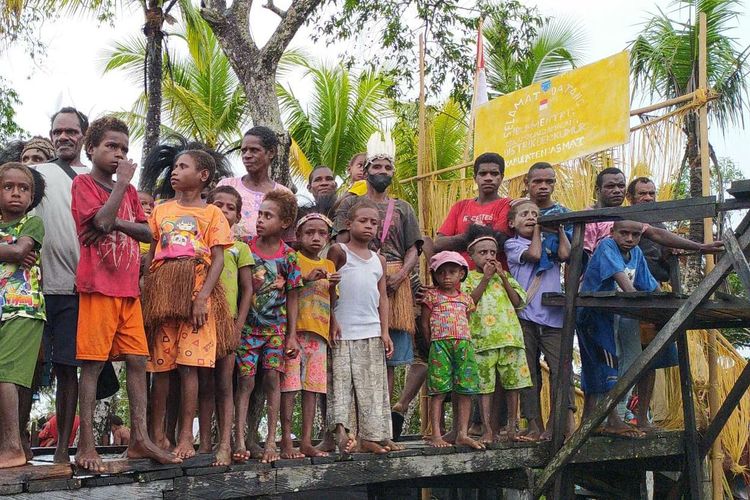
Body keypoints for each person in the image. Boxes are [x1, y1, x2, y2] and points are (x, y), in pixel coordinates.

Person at [71, 116, 180, 471]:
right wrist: (119, 189)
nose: (118, 153)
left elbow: (147, 234)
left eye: (123, 148)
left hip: (128, 290)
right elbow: (97, 223)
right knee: (92, 364)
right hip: (98, 287)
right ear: (91, 149)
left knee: (136, 360)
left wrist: (115, 220)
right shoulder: (85, 185)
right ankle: (86, 444)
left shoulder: (131, 192)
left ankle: (139, 439)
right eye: (111, 146)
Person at [142, 150, 233, 460]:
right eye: (175, 166)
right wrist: (148, 291)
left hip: (197, 289)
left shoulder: (213, 215)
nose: (175, 171)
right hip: (164, 292)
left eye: (183, 166)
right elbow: (153, 253)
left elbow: (218, 259)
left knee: (189, 367)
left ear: (203, 175)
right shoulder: (161, 210)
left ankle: (184, 438)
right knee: (161, 367)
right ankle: (157, 435)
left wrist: (202, 298)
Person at [333, 132, 420, 427]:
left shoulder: (404, 208)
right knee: (353, 355)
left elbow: (414, 248)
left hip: (396, 281)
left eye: (387, 168)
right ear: (366, 169)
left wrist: (401, 276)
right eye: (376, 167)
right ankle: (352, 425)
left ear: (393, 172)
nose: (382, 172)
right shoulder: (349, 204)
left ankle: (379, 423)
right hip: (358, 277)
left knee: (390, 355)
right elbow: (339, 243)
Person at [32, 107, 89, 464]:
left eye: (71, 131)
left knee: (69, 368)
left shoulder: (98, 177)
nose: (63, 137)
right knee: (28, 368)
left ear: (84, 135)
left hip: (75, 288)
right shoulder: (35, 173)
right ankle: (18, 445)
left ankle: (63, 449)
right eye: (57, 131)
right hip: (33, 287)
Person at [234, 189, 302, 463]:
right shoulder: (245, 248)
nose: (260, 220)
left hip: (275, 331)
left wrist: (292, 336)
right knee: (245, 382)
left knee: (272, 381)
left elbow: (294, 296)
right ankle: (239, 439)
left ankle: (271, 440)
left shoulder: (289, 257)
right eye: (260, 214)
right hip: (247, 330)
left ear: (284, 223)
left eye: (268, 216)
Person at [577, 220, 659, 438]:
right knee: (605, 365)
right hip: (592, 314)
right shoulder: (607, 247)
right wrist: (644, 306)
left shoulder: (636, 253)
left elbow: (649, 284)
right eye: (624, 233)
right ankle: (613, 420)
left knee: (603, 365)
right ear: (612, 232)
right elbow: (626, 285)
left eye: (635, 235)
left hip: (611, 314)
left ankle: (589, 421)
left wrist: (661, 304)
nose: (629, 239)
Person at [504, 198, 574, 441]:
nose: (531, 218)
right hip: (525, 316)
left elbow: (566, 254)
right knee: (528, 372)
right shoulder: (512, 245)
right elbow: (534, 254)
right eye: (524, 214)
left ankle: (557, 424)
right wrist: (538, 231)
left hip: (554, 318)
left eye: (535, 214)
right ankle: (533, 423)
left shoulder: (551, 241)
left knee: (560, 370)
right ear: (511, 223)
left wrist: (560, 229)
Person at [327, 199, 394, 454]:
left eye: (374, 223)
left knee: (373, 387)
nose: (368, 226)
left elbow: (383, 297)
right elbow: (329, 289)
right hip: (343, 331)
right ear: (349, 224)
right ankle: (345, 437)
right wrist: (332, 319)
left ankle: (374, 436)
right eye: (363, 221)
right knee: (342, 386)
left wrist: (385, 331)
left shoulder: (380, 260)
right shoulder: (339, 251)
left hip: (372, 330)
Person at [463, 223, 532, 443]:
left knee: (514, 385)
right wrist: (485, 278)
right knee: (484, 388)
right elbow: (468, 303)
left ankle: (512, 428)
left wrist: (502, 277)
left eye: (493, 252)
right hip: (482, 341)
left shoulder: (506, 278)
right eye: (483, 253)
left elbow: (518, 302)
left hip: (511, 338)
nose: (489, 257)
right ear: (471, 256)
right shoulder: (467, 279)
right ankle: (487, 430)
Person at [621, 177, 679, 432]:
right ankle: (620, 414)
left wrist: (669, 255)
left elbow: (664, 271)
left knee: (651, 358)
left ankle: (642, 416)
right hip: (628, 296)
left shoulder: (661, 226)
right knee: (626, 357)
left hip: (655, 295)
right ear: (630, 197)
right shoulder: (625, 223)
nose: (648, 197)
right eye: (642, 193)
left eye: (651, 193)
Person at [280, 212, 339, 458]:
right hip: (294, 332)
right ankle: (285, 441)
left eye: (322, 233)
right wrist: (305, 278)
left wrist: (334, 321)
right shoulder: (292, 258)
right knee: (290, 387)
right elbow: (283, 289)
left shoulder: (329, 265)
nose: (316, 237)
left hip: (319, 335)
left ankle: (305, 441)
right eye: (310, 232)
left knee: (312, 388)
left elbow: (331, 299)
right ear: (299, 235)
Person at [203, 186, 255, 465]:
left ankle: (225, 443)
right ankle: (205, 444)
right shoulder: (199, 243)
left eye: (230, 207)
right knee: (202, 384)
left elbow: (247, 290)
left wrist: (238, 326)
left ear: (237, 215)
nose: (224, 211)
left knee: (225, 384)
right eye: (218, 205)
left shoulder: (240, 248)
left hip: (228, 323)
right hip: (201, 320)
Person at [0, 162, 45, 469]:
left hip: (23, 309)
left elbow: (20, 252)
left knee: (6, 375)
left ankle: (14, 447)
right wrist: (11, 250)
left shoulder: (33, 223)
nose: (16, 193)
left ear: (31, 196)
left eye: (24, 188)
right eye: (8, 187)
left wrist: (15, 250)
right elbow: (13, 252)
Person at [421, 251, 483, 450]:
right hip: (439, 344)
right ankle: (436, 434)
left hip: (463, 344)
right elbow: (424, 323)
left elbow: (468, 320)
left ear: (461, 274)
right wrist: (431, 343)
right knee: (438, 390)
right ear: (435, 275)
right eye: (442, 273)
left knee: (465, 388)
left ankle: (462, 433)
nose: (447, 276)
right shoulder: (431, 296)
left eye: (452, 272)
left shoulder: (466, 299)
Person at [434, 152, 513, 268]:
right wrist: (480, 234)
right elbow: (439, 244)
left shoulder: (507, 205)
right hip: (460, 279)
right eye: (483, 173)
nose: (488, 178)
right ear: (475, 177)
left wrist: (462, 238)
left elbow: (498, 241)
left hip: (494, 280)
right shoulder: (460, 206)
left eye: (494, 173)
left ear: (501, 177)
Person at [217, 127, 294, 242]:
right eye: (244, 151)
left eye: (254, 150)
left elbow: (287, 239)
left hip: (266, 258)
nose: (247, 155)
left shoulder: (283, 194)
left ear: (271, 152)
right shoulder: (227, 185)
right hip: (227, 254)